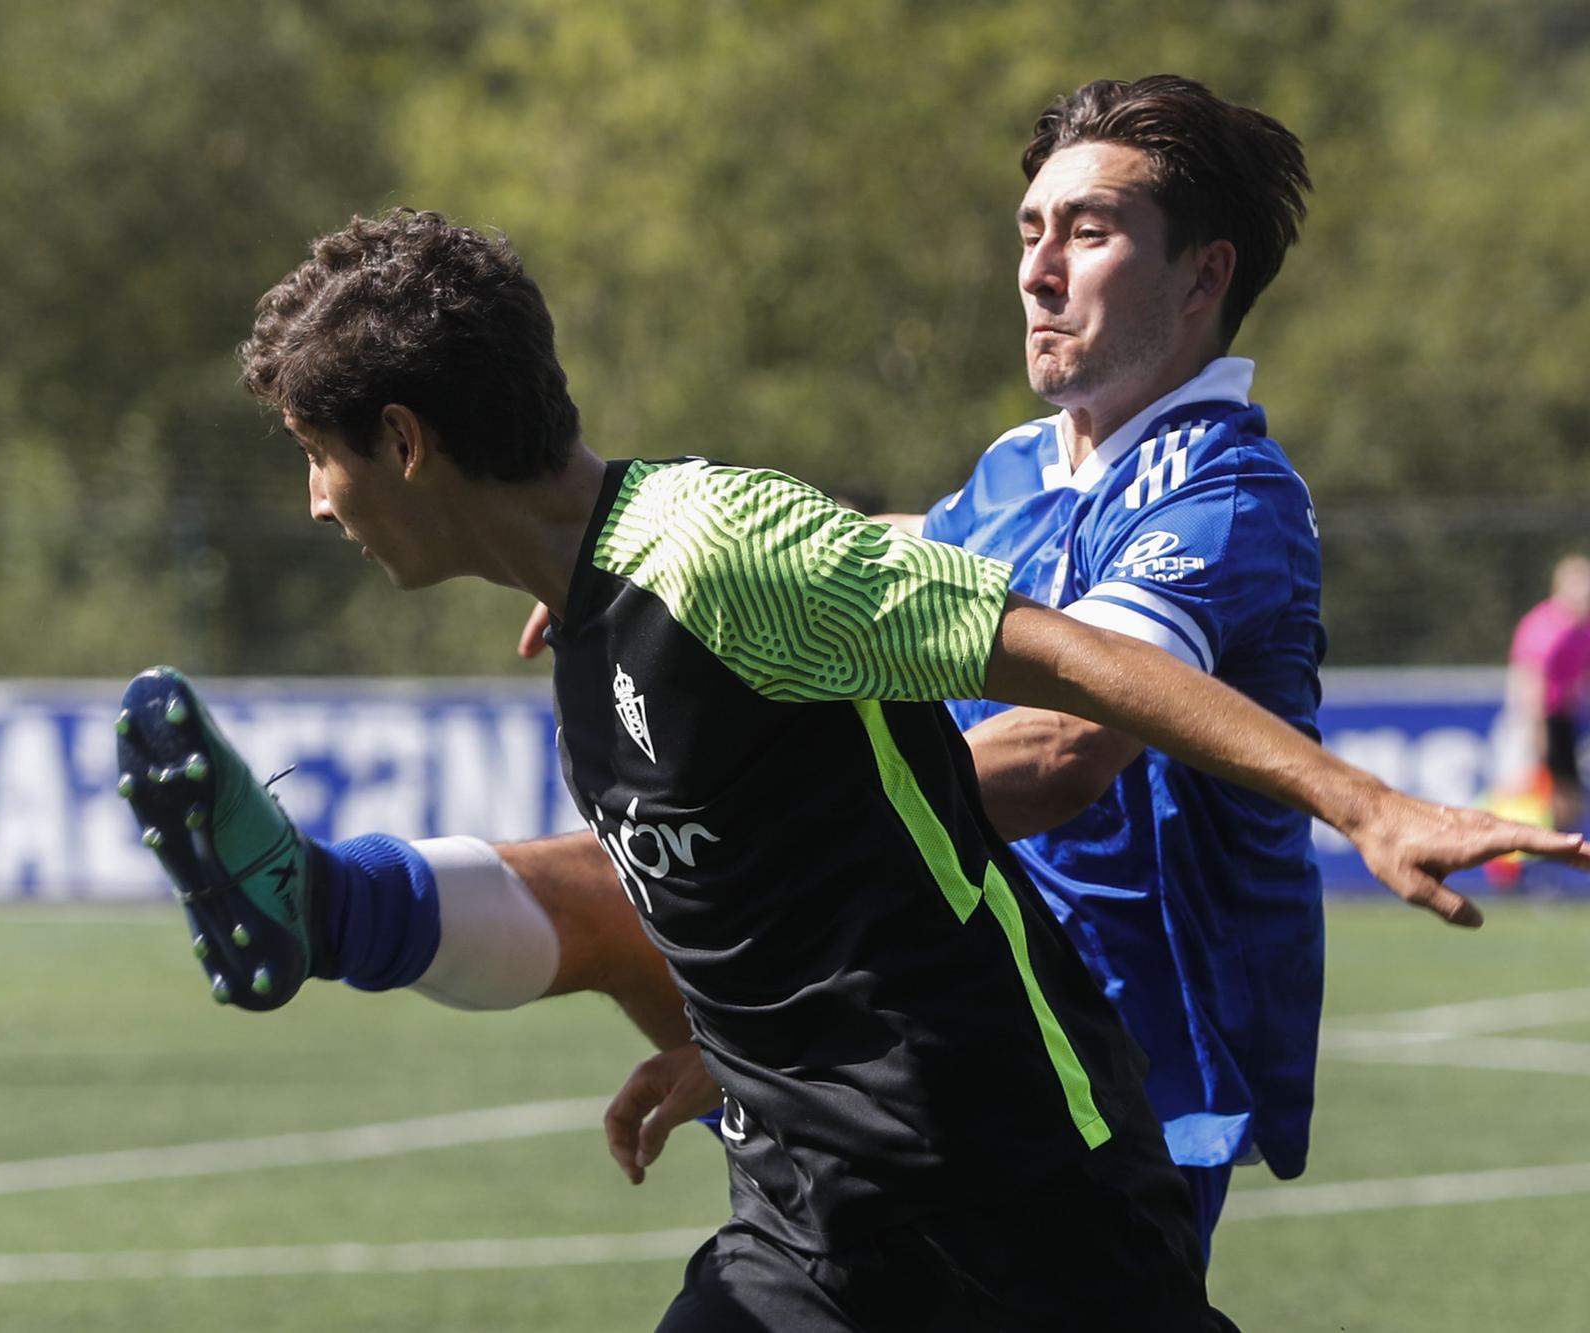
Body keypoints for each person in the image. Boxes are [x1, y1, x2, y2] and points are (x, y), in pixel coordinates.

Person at [119, 208, 1583, 1331]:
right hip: (810, 1224)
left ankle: (326, 904)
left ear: (406, 439)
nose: (316, 503)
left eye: (319, 455)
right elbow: (757, 901)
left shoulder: (718, 551)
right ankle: (329, 906)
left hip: (1016, 1192)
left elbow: (1064, 659)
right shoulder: (587, 620)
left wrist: (1368, 803)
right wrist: (725, 1050)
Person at [1504, 554, 1590, 836]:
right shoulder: (1545, 627)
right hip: (1533, 717)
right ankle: (1510, 869)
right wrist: (1539, 733)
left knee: (1568, 799)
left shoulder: (1583, 629)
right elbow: (1530, 684)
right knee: (1524, 790)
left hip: (1563, 716)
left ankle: (1549, 867)